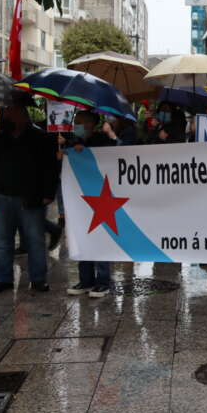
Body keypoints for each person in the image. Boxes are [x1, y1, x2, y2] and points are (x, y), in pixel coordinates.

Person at [0, 94, 60, 294]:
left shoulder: (40, 138)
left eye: (12, 111)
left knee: (35, 240)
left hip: (31, 198)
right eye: (7, 111)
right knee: (2, 241)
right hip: (3, 197)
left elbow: (51, 168)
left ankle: (38, 279)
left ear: (22, 114)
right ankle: (3, 279)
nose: (8, 114)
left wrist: (48, 193)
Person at [64, 111, 117, 298]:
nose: (75, 125)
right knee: (83, 236)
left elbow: (112, 157)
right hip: (79, 198)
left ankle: (103, 281)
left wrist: (85, 150)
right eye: (75, 122)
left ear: (90, 124)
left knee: (101, 237)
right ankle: (85, 280)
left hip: (100, 197)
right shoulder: (71, 141)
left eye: (79, 122)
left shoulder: (102, 140)